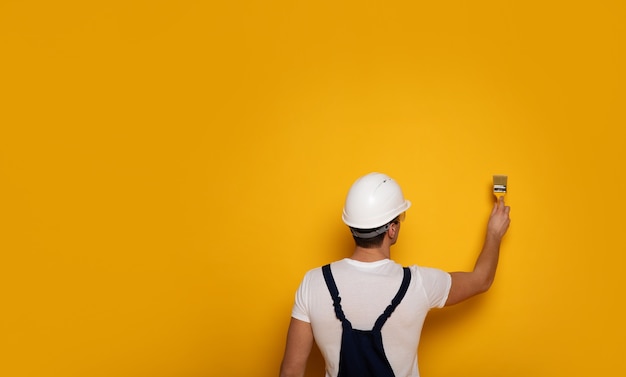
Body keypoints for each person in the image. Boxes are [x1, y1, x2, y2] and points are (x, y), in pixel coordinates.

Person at [279, 172, 511, 377]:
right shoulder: (418, 284)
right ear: (391, 229)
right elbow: (482, 279)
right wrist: (494, 234)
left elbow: (291, 371)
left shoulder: (314, 282)